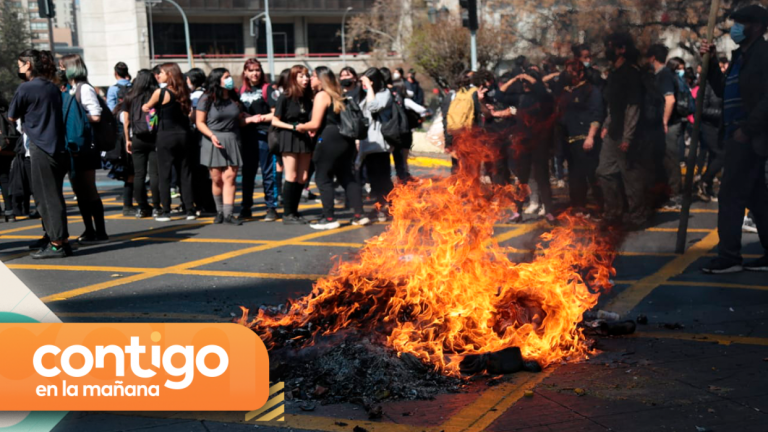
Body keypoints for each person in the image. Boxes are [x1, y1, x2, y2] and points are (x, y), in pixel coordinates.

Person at [700, 5, 768, 274]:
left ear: (758, 27)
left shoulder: (763, 55)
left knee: (730, 195)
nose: (735, 27)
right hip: (736, 135)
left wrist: (748, 129)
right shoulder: (740, 56)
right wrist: (711, 63)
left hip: (748, 136)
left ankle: (729, 257)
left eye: (741, 23)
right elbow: (723, 90)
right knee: (757, 197)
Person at [8, 50, 71, 259]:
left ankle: (56, 244)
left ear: (28, 65)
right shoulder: (51, 87)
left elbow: (12, 116)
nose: (18, 68)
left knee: (46, 198)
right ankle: (62, 240)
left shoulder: (26, 88)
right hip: (58, 147)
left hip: (41, 147)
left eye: (20, 64)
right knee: (55, 196)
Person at [295, 66, 369, 230]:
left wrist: (299, 127)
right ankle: (359, 215)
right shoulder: (340, 94)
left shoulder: (322, 95)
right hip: (346, 139)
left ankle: (329, 218)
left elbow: (315, 123)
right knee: (347, 177)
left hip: (329, 138)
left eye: (313, 76)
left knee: (322, 178)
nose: (310, 79)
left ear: (321, 79)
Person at [597, 32, 651, 229]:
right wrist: (606, 125)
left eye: (611, 46)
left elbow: (633, 107)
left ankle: (638, 216)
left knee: (631, 177)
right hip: (612, 132)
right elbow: (613, 106)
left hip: (629, 134)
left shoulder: (632, 73)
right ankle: (613, 212)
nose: (608, 50)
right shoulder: (614, 74)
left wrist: (628, 137)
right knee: (604, 172)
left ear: (622, 49)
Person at [60, 54, 109, 245]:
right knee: (79, 190)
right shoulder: (71, 89)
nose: (60, 70)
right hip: (74, 146)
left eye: (62, 67)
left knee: (89, 189)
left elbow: (96, 115)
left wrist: (76, 116)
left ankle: (100, 231)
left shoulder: (85, 88)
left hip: (86, 146)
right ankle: (89, 230)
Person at [142, 63, 195, 222]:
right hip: (184, 135)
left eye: (162, 72)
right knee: (185, 173)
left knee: (164, 174)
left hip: (166, 135)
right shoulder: (184, 91)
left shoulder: (161, 92)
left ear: (169, 74)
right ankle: (190, 209)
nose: (159, 75)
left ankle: (166, 211)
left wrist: (147, 107)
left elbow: (147, 107)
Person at [196, 68, 243, 226]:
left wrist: (252, 119)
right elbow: (199, 122)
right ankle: (220, 211)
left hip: (232, 139)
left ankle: (229, 214)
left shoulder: (234, 97)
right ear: (217, 80)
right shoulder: (206, 98)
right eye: (226, 77)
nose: (230, 79)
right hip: (212, 139)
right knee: (216, 179)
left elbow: (239, 119)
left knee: (230, 178)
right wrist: (211, 136)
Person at [558, 59, 604, 214]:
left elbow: (597, 115)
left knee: (592, 174)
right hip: (569, 140)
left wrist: (590, 136)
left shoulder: (591, 91)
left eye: (572, 71)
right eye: (567, 71)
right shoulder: (566, 92)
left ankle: (601, 206)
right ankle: (578, 206)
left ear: (581, 73)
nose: (569, 74)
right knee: (574, 176)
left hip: (585, 138)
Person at [271, 65, 313, 224]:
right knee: (292, 175)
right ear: (293, 79)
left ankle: (294, 211)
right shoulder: (285, 97)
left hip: (304, 137)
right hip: (289, 136)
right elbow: (275, 121)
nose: (305, 79)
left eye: (307, 76)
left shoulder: (307, 97)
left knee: (303, 177)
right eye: (301, 76)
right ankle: (288, 214)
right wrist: (293, 127)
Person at [239, 58, 279, 222]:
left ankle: (271, 207)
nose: (255, 73)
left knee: (268, 173)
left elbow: (276, 114)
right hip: (246, 136)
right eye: (251, 70)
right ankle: (246, 207)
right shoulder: (241, 90)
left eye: (257, 70)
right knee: (247, 173)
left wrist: (259, 118)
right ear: (245, 72)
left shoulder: (267, 89)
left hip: (265, 135)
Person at [646, 44, 683, 209]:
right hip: (660, 124)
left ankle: (675, 195)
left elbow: (670, 100)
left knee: (670, 159)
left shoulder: (665, 75)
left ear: (652, 58)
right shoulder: (658, 75)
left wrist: (664, 121)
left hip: (669, 124)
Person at [122, 69, 161, 218]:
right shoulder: (156, 94)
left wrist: (128, 139)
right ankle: (157, 206)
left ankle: (142, 207)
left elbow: (126, 121)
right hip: (155, 137)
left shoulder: (130, 96)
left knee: (139, 174)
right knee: (155, 174)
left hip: (137, 138)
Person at [358, 67, 395, 221]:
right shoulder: (366, 95)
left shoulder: (384, 93)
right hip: (367, 143)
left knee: (383, 178)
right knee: (373, 179)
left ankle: (388, 207)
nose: (364, 84)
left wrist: (369, 87)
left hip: (380, 144)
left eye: (367, 81)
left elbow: (373, 107)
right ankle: (380, 206)